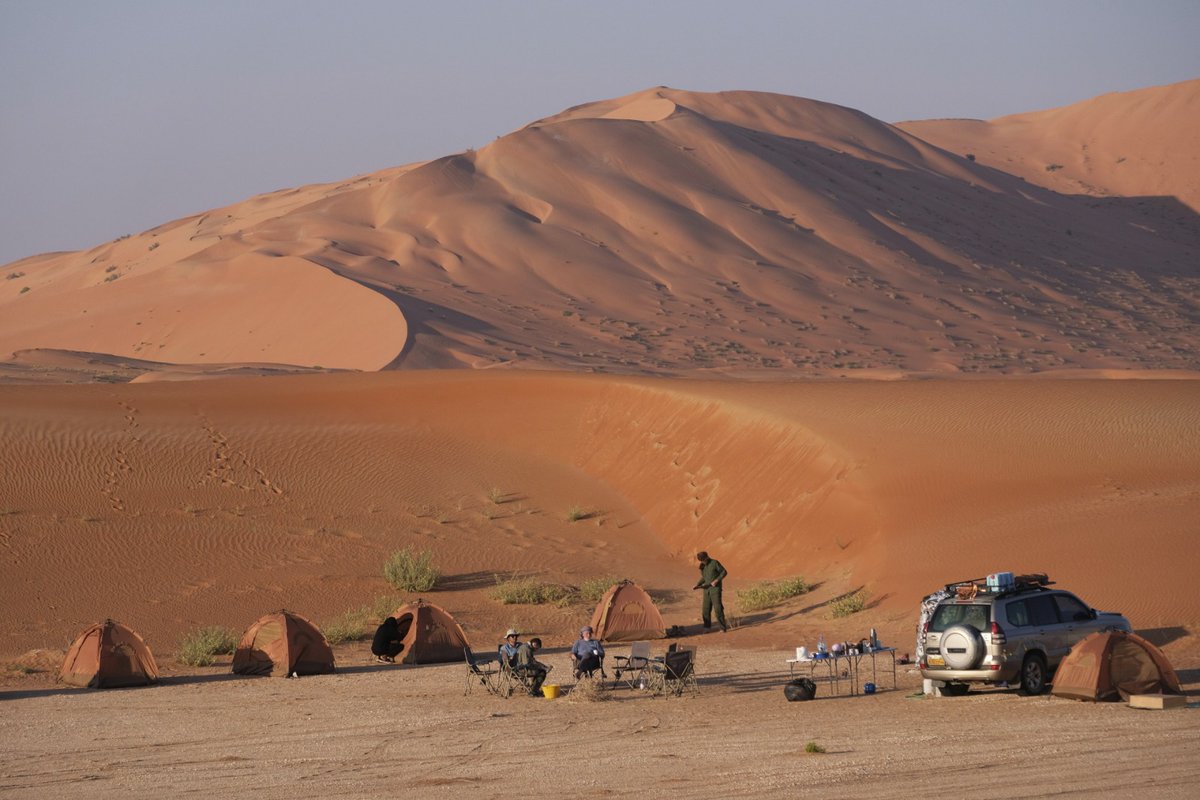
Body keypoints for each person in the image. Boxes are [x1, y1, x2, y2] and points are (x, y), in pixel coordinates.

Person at [693, 551, 728, 632]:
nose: (703, 562)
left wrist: (716, 580)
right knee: (705, 609)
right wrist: (697, 584)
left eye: (703, 560)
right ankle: (707, 627)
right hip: (706, 590)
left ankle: (722, 628)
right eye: (701, 561)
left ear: (707, 557)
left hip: (715, 590)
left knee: (718, 608)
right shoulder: (702, 566)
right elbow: (704, 577)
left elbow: (724, 572)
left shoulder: (714, 563)